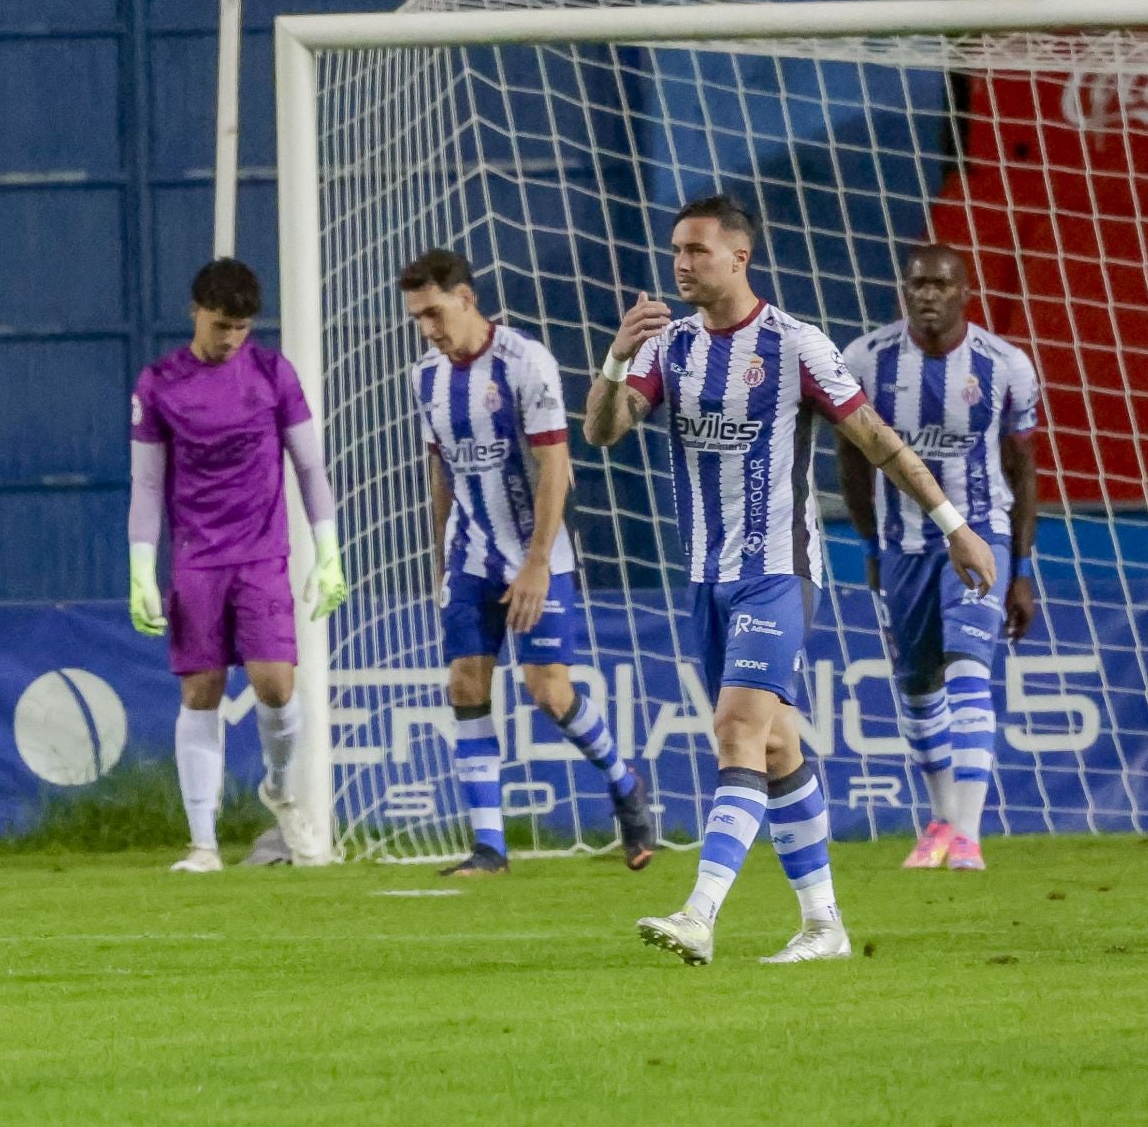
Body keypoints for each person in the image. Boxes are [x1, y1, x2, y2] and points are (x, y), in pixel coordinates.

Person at [583, 196, 997, 964]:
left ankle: (700, 913)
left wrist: (955, 528)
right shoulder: (666, 346)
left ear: (739, 257)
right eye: (676, 249)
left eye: (697, 251)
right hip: (704, 577)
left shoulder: (796, 345)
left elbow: (875, 439)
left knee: (736, 730)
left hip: (776, 573)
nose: (681, 263)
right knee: (773, 749)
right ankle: (824, 925)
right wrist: (614, 357)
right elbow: (603, 431)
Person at [404, 248, 655, 878]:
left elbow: (555, 466)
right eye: (417, 319)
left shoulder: (525, 363)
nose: (428, 328)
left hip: (535, 552)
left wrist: (538, 563)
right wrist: (442, 558)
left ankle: (625, 783)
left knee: (548, 692)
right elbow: (441, 470)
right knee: (465, 684)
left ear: (466, 297)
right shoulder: (424, 377)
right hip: (469, 554)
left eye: (434, 311)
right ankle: (489, 848)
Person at [127, 259, 348, 872]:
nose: (231, 339)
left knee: (276, 685)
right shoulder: (159, 383)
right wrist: (142, 570)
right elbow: (147, 486)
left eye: (243, 329)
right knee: (201, 691)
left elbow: (309, 467)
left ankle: (278, 787)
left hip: (262, 555)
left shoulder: (274, 373)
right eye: (222, 326)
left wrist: (328, 555)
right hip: (197, 559)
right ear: (196, 312)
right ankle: (203, 844)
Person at [841, 244, 1041, 871]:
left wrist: (1023, 571)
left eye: (940, 285)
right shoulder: (865, 361)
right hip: (903, 544)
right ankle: (941, 819)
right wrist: (871, 543)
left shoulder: (1005, 365)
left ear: (964, 292)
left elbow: (1023, 467)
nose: (928, 295)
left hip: (982, 535)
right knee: (919, 684)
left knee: (968, 670)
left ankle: (969, 838)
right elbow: (851, 461)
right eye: (917, 284)